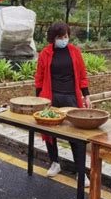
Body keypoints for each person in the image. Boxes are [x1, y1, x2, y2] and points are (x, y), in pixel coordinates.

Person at [35, 22, 91, 184]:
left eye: (65, 36)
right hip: (51, 97)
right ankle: (55, 162)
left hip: (71, 97)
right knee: (50, 132)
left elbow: (82, 75)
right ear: (53, 38)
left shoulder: (74, 52)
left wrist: (86, 95)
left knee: (75, 135)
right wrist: (38, 99)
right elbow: (39, 77)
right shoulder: (45, 53)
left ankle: (81, 171)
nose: (63, 40)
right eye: (60, 37)